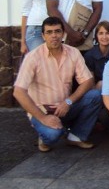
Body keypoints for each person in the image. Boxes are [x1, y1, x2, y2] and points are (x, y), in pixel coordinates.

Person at [13, 17, 102, 152]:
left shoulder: (73, 52)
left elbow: (88, 81)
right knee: (53, 135)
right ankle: (45, 133)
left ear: (63, 34)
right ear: (43, 36)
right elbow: (18, 92)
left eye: (57, 31)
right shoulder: (32, 57)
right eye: (49, 32)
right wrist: (43, 118)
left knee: (95, 95)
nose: (54, 36)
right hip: (43, 109)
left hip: (65, 106)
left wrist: (69, 101)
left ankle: (76, 136)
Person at [83, 21, 109, 90]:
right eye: (101, 33)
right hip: (98, 89)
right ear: (96, 36)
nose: (104, 37)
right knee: (101, 84)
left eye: (108, 33)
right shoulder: (90, 55)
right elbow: (91, 82)